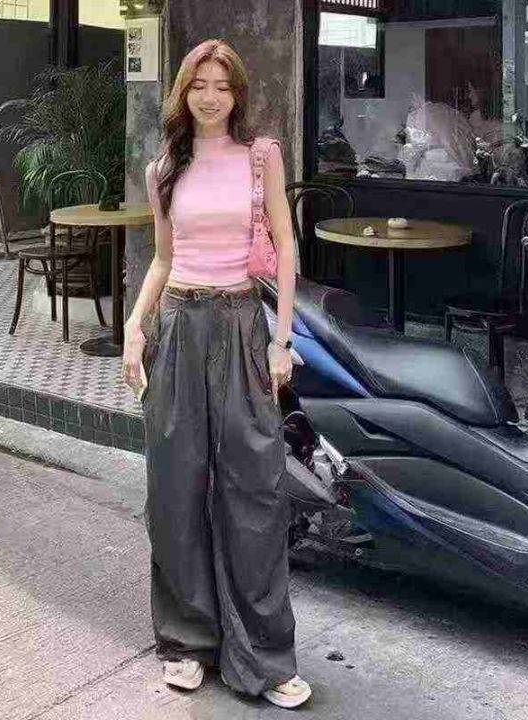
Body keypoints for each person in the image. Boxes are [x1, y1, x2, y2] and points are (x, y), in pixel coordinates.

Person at [121, 38, 312, 709]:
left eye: (222, 86)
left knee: (254, 489)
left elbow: (286, 245)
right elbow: (163, 258)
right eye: (198, 85)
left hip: (240, 324)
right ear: (183, 91)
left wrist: (281, 339)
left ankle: (263, 655)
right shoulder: (164, 167)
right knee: (175, 488)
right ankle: (186, 639)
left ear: (237, 95)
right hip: (178, 325)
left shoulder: (261, 157)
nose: (209, 97)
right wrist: (134, 325)